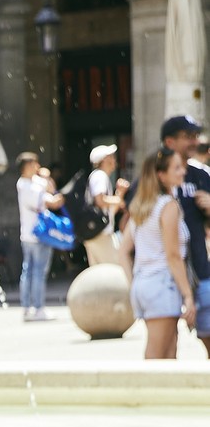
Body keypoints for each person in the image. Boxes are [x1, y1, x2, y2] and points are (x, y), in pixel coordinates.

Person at [119, 142, 196, 360]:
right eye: (177, 168)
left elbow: (123, 252)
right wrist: (188, 296)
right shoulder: (167, 206)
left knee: (168, 354)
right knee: (157, 357)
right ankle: (139, 395)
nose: (183, 171)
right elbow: (173, 256)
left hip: (145, 284)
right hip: (162, 283)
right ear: (161, 175)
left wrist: (134, 282)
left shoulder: (141, 207)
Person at [160, 113, 210, 358]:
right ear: (169, 142)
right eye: (187, 136)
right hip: (164, 276)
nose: (194, 141)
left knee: (208, 336)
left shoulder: (201, 175)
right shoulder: (153, 177)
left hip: (201, 270)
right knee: (166, 345)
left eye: (195, 136)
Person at [16, 150, 66, 320]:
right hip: (37, 234)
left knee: (29, 271)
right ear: (27, 166)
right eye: (34, 164)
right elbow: (50, 200)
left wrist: (46, 177)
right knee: (37, 271)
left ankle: (28, 307)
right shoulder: (26, 185)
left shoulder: (29, 183)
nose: (37, 167)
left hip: (28, 235)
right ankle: (37, 308)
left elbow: (50, 188)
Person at [82, 145, 128, 266]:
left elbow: (110, 211)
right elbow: (100, 200)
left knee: (99, 274)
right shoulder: (99, 175)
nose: (114, 160)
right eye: (111, 156)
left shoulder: (99, 176)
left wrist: (119, 194)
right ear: (104, 160)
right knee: (114, 270)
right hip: (100, 234)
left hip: (99, 233)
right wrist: (118, 199)